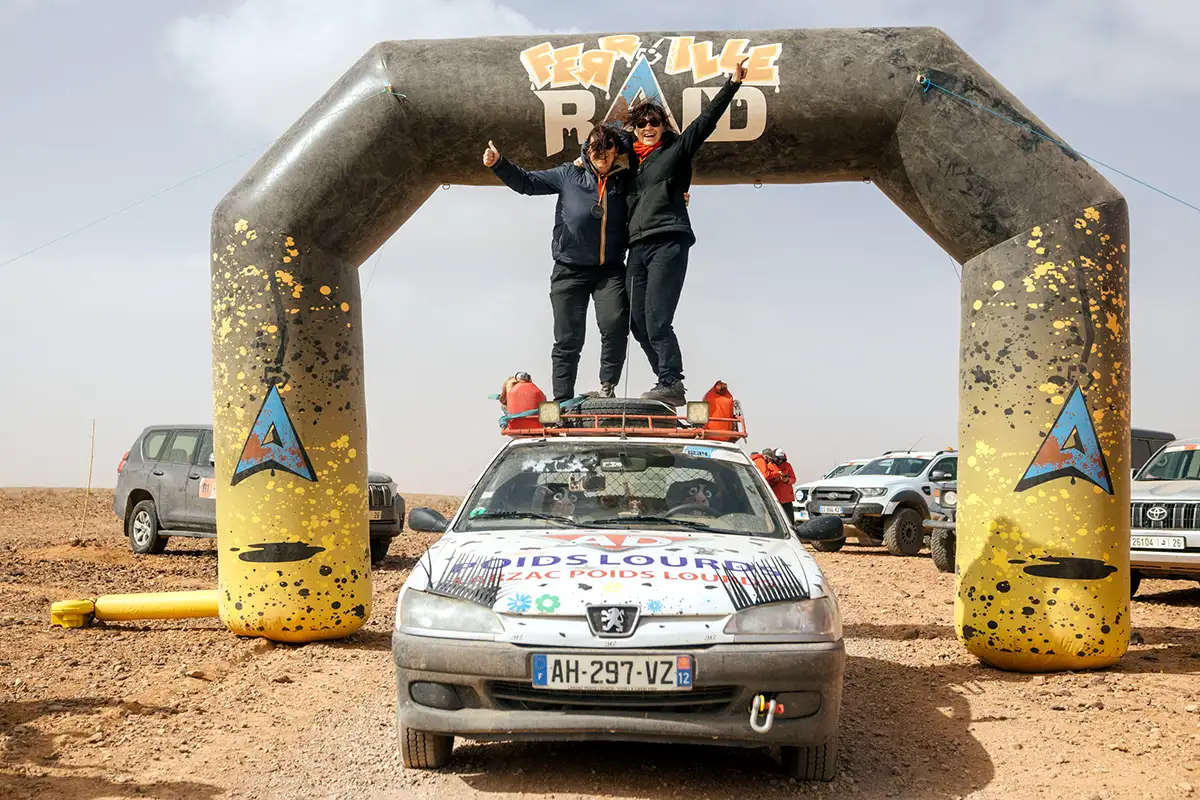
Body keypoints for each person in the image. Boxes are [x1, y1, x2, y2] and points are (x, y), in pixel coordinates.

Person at [623, 57, 748, 406]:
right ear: (634, 128)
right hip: (637, 247)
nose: (649, 127)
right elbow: (601, 146)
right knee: (637, 323)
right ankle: (664, 380)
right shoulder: (630, 163)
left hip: (668, 240)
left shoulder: (676, 151)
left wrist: (732, 84)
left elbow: (704, 123)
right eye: (642, 123)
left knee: (658, 319)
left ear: (663, 126)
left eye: (655, 122)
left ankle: (671, 381)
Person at [483, 124, 633, 402]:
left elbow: (656, 185)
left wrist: (679, 197)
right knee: (568, 338)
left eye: (608, 146)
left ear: (617, 151)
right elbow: (528, 183)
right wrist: (500, 164)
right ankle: (563, 399)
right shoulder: (568, 174)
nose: (601, 152)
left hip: (609, 271)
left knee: (614, 324)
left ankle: (607, 386)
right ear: (586, 151)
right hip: (569, 270)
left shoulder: (625, 179)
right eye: (595, 146)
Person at [770, 449, 797, 522]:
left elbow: (793, 479)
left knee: (789, 520)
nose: (779, 461)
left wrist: (787, 480)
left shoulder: (788, 466)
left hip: (786, 499)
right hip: (774, 498)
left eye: (780, 459)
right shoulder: (769, 466)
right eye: (777, 459)